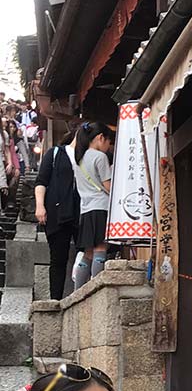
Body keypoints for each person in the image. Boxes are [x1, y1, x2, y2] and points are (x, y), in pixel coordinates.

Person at [35, 130, 80, 300]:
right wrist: (40, 206)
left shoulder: (90, 156)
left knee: (85, 252)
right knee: (58, 258)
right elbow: (41, 181)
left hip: (82, 211)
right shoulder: (55, 153)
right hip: (57, 211)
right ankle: (55, 300)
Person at [71, 122, 113, 291]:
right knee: (101, 248)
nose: (109, 146)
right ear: (100, 138)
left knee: (88, 252)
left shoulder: (79, 159)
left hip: (86, 209)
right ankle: (97, 290)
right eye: (108, 141)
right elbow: (108, 186)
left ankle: (77, 292)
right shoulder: (100, 157)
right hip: (101, 206)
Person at [3, 121, 20, 190]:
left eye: (13, 127)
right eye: (10, 127)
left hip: (8, 163)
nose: (12, 129)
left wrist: (17, 167)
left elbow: (12, 153)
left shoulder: (10, 139)